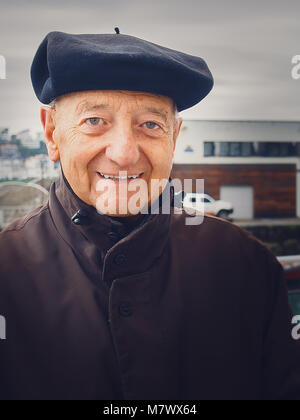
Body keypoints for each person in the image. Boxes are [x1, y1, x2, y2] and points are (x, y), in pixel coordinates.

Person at [0, 29, 299, 400]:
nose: (124, 153)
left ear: (173, 139)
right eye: (95, 121)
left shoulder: (244, 263)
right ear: (52, 134)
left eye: (151, 125)